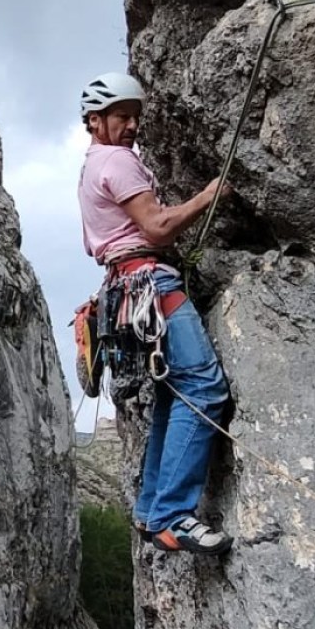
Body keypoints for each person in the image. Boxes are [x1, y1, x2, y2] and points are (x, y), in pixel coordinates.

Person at [77, 70, 233, 555]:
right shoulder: (117, 162)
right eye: (121, 116)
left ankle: (150, 509)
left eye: (134, 118)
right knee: (203, 387)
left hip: (127, 286)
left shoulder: (91, 166)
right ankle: (172, 516)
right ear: (95, 120)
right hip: (150, 283)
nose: (130, 126)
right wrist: (208, 196)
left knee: (173, 396)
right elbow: (158, 226)